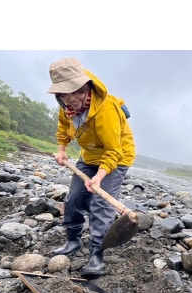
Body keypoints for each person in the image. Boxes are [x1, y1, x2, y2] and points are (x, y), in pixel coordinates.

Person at [47, 57, 136, 277]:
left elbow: (113, 151)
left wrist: (99, 176)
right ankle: (73, 240)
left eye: (76, 92)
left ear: (85, 85)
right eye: (64, 95)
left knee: (100, 204)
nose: (72, 100)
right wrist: (61, 149)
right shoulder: (65, 105)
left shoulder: (106, 109)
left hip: (116, 156)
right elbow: (62, 127)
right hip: (89, 156)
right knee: (75, 197)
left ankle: (97, 253)